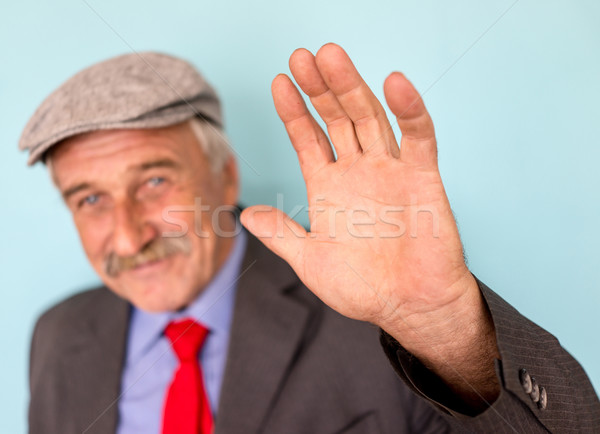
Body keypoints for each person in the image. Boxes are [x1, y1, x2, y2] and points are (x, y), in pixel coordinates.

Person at [21, 44, 599, 433]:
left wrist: (444, 329)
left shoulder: (370, 316)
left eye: (154, 180)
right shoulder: (58, 335)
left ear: (225, 174)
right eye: (90, 198)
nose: (126, 235)